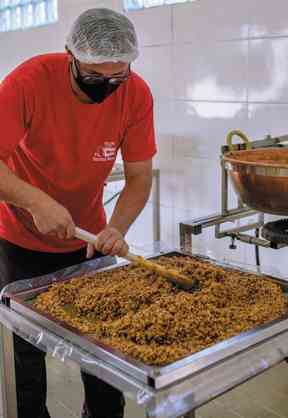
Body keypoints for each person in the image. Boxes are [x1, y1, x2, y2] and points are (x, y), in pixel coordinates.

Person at [0, 7, 156, 418]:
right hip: (20, 238)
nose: (105, 87)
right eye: (93, 77)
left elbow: (139, 177)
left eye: (116, 77)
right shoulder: (29, 82)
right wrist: (35, 201)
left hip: (89, 239)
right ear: (71, 55)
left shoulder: (135, 94)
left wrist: (117, 228)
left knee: (103, 346)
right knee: (27, 353)